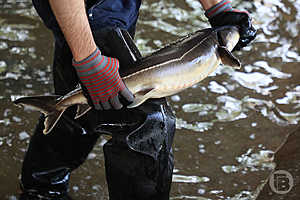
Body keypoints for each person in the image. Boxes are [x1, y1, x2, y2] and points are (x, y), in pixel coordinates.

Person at [19, 0, 256, 199]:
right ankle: (41, 186)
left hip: (117, 10)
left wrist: (217, 7)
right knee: (149, 124)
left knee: (84, 107)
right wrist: (88, 58)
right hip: (87, 13)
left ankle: (40, 188)